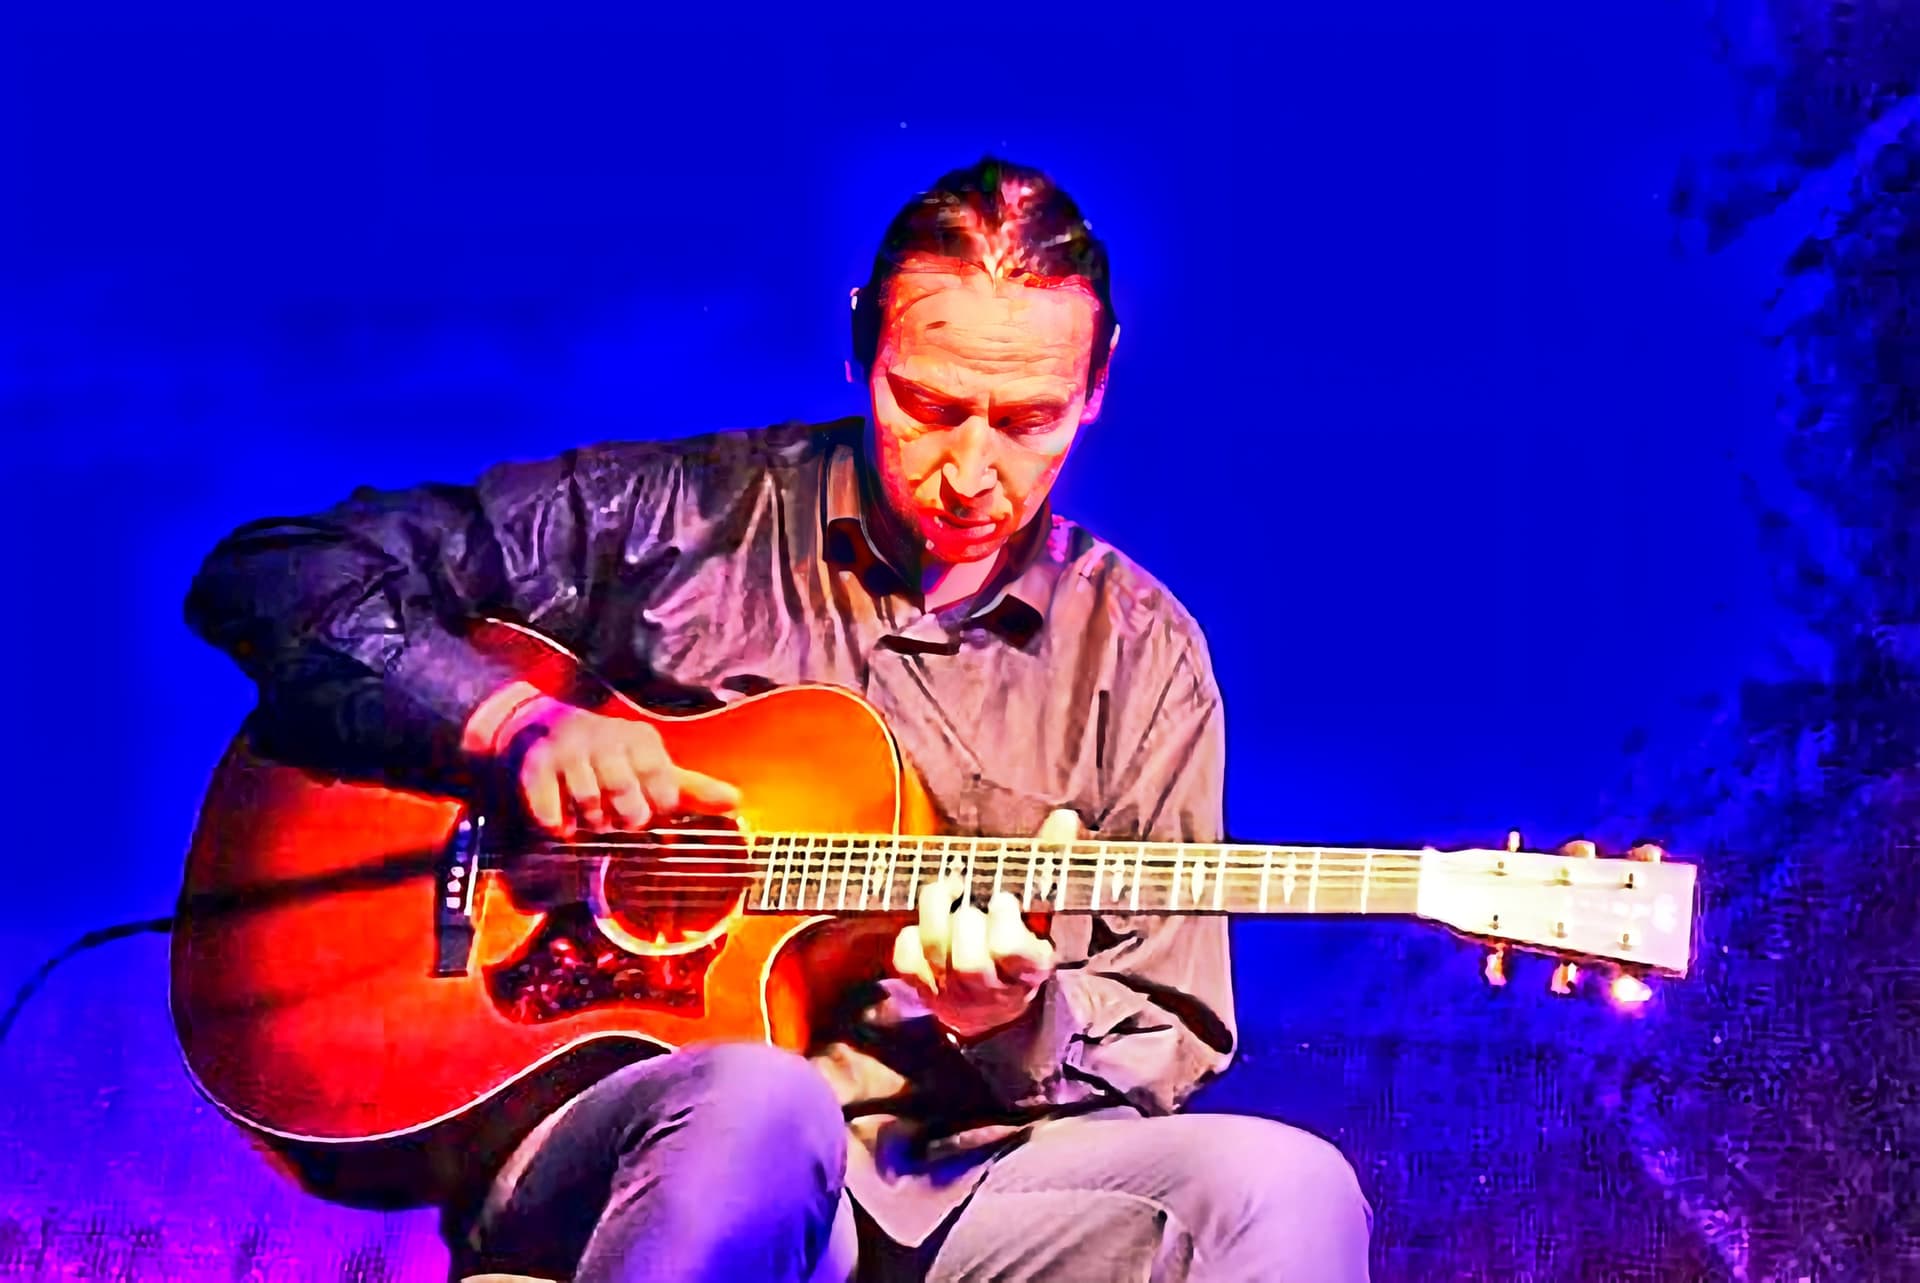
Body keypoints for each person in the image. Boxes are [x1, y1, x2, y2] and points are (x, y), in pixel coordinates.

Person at [185, 157, 1374, 1283]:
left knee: (1285, 1186)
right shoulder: (674, 520)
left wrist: (1017, 1017)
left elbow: (1163, 1024)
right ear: (863, 346)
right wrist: (511, 725)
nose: (971, 470)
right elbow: (274, 572)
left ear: (1098, 383)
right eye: (928, 404)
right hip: (642, 1138)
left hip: (964, 1177)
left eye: (1028, 421)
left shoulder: (1143, 655)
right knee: (765, 1097)